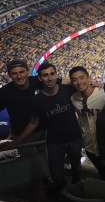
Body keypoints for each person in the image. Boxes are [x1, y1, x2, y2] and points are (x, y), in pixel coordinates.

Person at [6, 62, 83, 192]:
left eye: (52, 74)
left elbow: (85, 89)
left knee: (77, 172)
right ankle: (61, 198)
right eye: (45, 75)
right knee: (56, 174)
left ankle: (79, 194)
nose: (50, 78)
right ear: (40, 78)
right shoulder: (37, 100)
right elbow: (33, 122)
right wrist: (17, 141)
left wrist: (96, 85)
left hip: (75, 139)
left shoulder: (68, 89)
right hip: (54, 143)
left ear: (56, 75)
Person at [69, 66, 105, 180]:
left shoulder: (104, 94)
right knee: (104, 175)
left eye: (82, 78)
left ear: (89, 78)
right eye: (74, 80)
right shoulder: (74, 99)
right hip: (90, 147)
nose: (79, 82)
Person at [0, 59, 42, 139]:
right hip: (20, 136)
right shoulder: (4, 92)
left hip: (45, 132)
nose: (19, 76)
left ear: (27, 71)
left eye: (22, 72)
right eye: (14, 73)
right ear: (9, 75)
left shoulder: (38, 81)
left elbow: (62, 82)